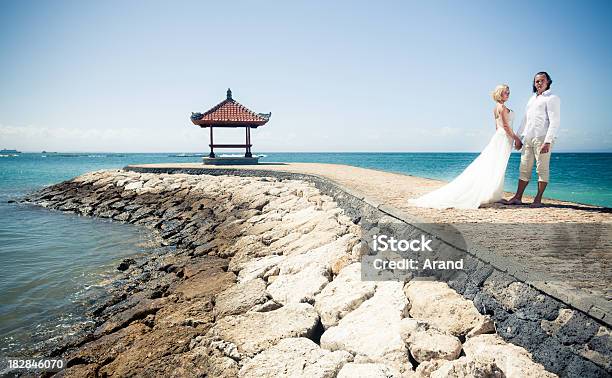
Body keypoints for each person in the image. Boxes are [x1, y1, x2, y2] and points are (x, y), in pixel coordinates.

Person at [408, 84, 522, 209]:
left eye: (509, 92)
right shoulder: (501, 107)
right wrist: (517, 139)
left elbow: (497, 127)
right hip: (504, 137)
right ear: (500, 93)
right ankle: (490, 194)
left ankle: (493, 194)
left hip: (500, 137)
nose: (508, 94)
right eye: (506, 92)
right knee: (496, 165)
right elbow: (505, 126)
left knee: (495, 165)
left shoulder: (496, 108)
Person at [503, 72, 560, 207]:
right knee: (524, 167)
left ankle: (538, 199)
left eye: (542, 81)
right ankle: (518, 197)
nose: (539, 83)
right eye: (536, 81)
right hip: (528, 138)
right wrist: (518, 137)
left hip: (542, 138)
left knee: (542, 169)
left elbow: (555, 121)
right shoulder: (532, 99)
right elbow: (525, 119)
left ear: (548, 82)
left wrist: (548, 141)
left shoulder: (552, 98)